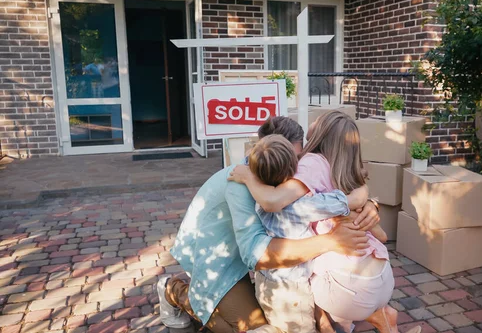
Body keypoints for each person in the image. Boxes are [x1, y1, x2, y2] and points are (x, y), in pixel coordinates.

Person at [157, 116, 380, 332]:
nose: (294, 172)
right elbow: (256, 255)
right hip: (218, 259)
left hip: (254, 261)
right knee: (251, 327)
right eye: (289, 163)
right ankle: (174, 290)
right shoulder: (239, 186)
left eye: (297, 161)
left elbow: (326, 196)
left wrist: (367, 202)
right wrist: (330, 241)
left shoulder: (276, 176)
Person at [229, 111, 420, 333]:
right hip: (383, 278)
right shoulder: (346, 169)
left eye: (319, 119)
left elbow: (274, 202)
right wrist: (361, 199)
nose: (313, 120)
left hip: (335, 288)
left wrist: (248, 176)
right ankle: (377, 316)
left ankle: (370, 314)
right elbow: (382, 236)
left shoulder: (308, 166)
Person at [246, 134, 368, 333]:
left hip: (264, 281)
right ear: (294, 168)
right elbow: (346, 201)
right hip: (292, 289)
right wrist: (362, 187)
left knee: (280, 324)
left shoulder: (259, 197)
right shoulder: (301, 205)